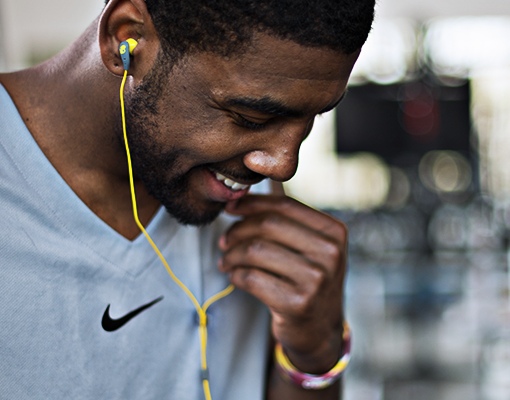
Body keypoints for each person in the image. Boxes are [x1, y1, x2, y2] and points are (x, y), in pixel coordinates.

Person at [0, 0, 374, 399]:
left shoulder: (239, 188)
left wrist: (314, 352)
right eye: (251, 118)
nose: (282, 166)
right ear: (127, 38)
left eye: (311, 118)